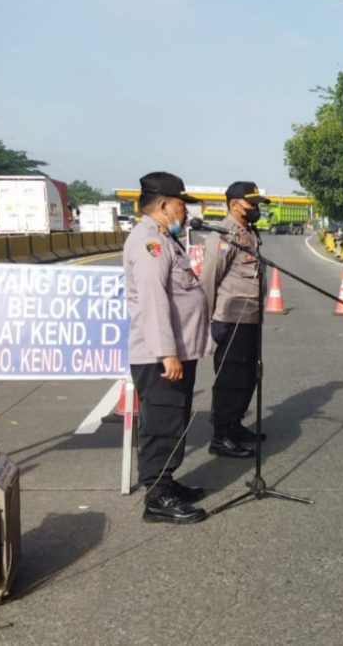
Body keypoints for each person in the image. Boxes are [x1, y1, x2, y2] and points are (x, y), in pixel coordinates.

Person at [124, 172, 210, 524]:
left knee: (173, 420)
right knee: (161, 424)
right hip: (160, 356)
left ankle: (167, 482)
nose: (186, 212)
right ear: (163, 205)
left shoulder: (164, 239)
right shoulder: (150, 244)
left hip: (176, 351)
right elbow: (153, 301)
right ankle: (158, 497)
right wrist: (167, 353)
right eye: (181, 205)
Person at [198, 181, 271, 459]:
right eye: (252, 204)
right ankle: (221, 435)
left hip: (250, 316)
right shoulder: (224, 235)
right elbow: (209, 278)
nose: (256, 209)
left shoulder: (248, 232)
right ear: (234, 205)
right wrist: (205, 319)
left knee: (249, 375)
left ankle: (235, 424)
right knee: (231, 378)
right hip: (230, 317)